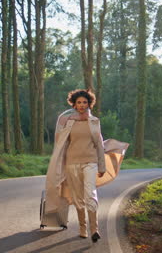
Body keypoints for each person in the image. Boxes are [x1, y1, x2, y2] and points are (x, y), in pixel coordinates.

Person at [45, 89, 109, 242]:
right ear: (74, 104)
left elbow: (99, 145)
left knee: (90, 194)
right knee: (77, 197)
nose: (81, 105)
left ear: (89, 104)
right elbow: (60, 144)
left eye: (84, 102)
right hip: (71, 163)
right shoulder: (67, 122)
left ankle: (94, 229)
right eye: (79, 102)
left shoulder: (94, 122)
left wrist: (102, 166)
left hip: (90, 162)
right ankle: (82, 228)